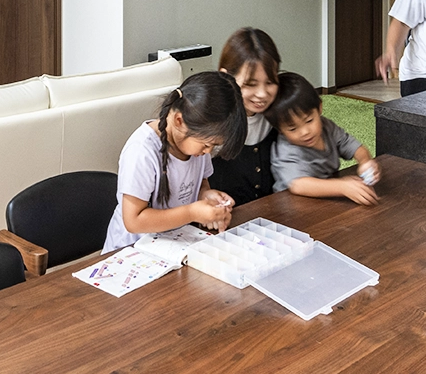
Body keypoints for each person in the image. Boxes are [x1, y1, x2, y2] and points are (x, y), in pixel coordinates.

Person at [101, 71, 247, 252]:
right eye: (207, 145)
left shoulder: (197, 146)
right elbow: (134, 221)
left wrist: (206, 196)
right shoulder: (142, 151)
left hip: (173, 245)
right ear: (179, 121)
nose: (208, 152)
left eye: (214, 146)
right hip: (130, 252)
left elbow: (200, 183)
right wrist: (192, 213)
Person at [270, 73, 379, 205]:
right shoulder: (286, 149)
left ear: (320, 108)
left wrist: (365, 161)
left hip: (326, 197)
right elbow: (298, 185)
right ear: (280, 130)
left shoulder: (327, 126)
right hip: (293, 205)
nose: (305, 132)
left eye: (309, 121)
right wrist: (342, 187)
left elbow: (350, 144)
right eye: (292, 129)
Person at [211, 27, 283, 206]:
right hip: (226, 216)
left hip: (273, 211)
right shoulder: (211, 121)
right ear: (226, 77)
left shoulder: (279, 110)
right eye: (250, 84)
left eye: (270, 82)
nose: (262, 94)